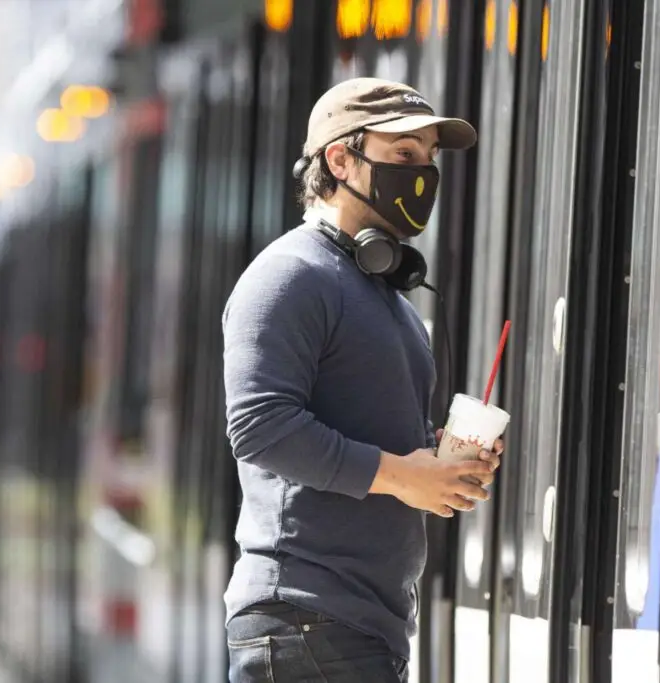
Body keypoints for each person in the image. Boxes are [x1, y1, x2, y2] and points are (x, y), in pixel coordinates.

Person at [221, 77, 504, 682]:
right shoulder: (289, 276)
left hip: (357, 629)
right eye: (404, 154)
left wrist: (441, 458)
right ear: (340, 158)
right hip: (303, 620)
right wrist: (406, 478)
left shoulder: (390, 297)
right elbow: (261, 428)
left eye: (429, 157)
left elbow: (366, 428)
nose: (423, 172)